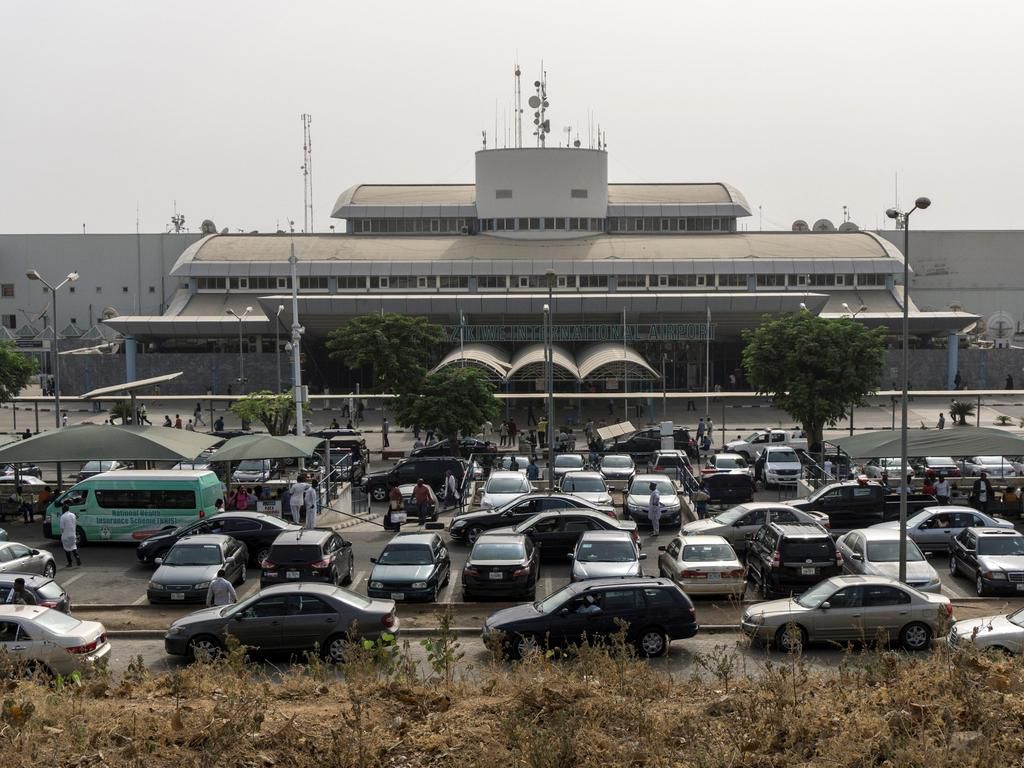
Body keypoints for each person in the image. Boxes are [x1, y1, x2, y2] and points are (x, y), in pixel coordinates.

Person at [60, 502, 81, 567]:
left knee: (67, 549)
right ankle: (77, 557)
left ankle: (70, 563)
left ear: (63, 509)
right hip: (73, 534)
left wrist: (62, 534)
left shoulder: (63, 517)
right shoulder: (73, 515)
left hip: (66, 535)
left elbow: (62, 528)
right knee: (73, 547)